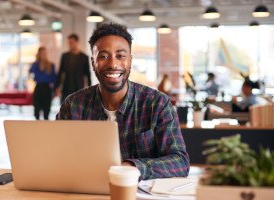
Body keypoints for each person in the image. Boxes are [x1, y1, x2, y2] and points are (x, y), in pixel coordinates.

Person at [56, 23, 189, 180]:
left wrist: (131, 167)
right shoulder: (73, 105)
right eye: (104, 56)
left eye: (120, 56)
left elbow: (180, 162)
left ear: (130, 61)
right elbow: (57, 156)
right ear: (93, 63)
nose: (113, 64)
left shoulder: (157, 103)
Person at [56, 34, 92, 102]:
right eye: (69, 43)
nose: (70, 44)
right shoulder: (65, 56)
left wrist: (89, 88)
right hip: (66, 87)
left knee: (78, 109)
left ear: (77, 42)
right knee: (65, 108)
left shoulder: (84, 57)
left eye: (72, 43)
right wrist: (57, 86)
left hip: (79, 87)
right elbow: (60, 72)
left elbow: (87, 74)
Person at [29, 47, 57, 120]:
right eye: (41, 53)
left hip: (47, 89)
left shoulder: (51, 65)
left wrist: (54, 91)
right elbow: (30, 72)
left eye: (44, 53)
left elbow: (54, 79)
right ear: (39, 54)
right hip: (38, 88)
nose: (43, 55)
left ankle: (45, 129)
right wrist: (37, 61)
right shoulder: (35, 65)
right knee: (36, 111)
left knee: (46, 112)